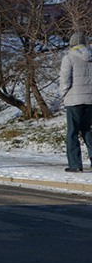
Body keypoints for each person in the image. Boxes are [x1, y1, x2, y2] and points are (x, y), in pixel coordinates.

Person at [58, 31, 92, 173]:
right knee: (87, 130)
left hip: (74, 100)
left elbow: (65, 80)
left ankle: (75, 164)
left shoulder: (69, 58)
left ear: (71, 43)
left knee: (72, 132)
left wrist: (62, 95)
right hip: (90, 100)